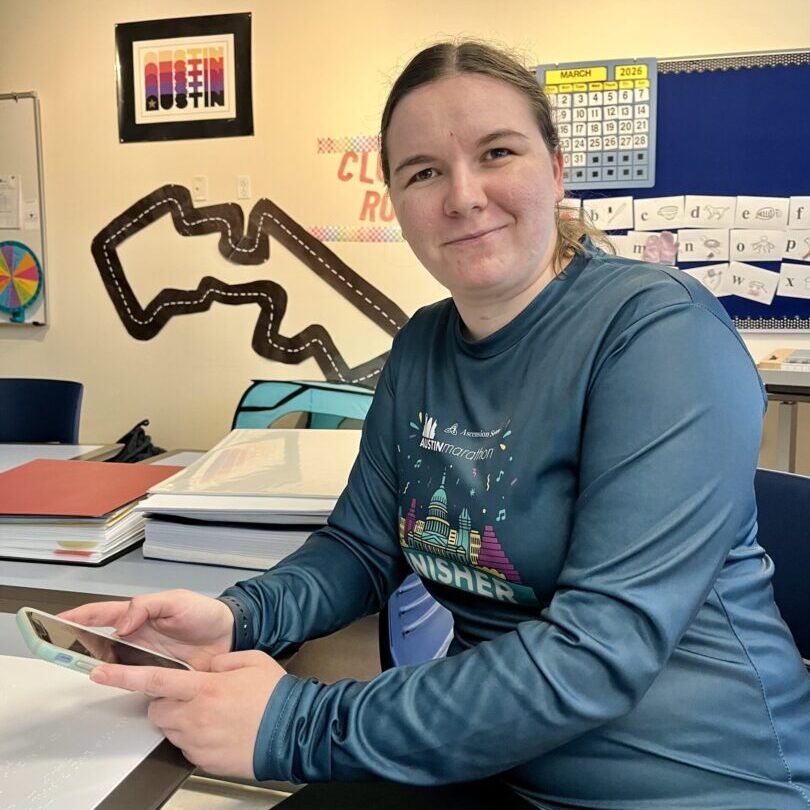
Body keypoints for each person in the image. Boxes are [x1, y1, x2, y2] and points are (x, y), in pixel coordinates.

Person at [62, 41, 810, 809]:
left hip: (696, 780)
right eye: (422, 171)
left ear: (555, 171)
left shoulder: (658, 331)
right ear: (396, 200)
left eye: (497, 153)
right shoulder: (421, 344)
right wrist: (238, 616)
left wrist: (298, 722)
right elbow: (359, 547)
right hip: (487, 755)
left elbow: (598, 653)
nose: (462, 197)